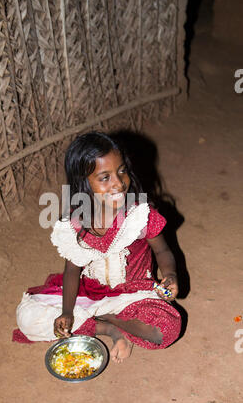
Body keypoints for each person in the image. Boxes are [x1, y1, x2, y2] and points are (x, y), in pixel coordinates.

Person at [16, 131, 181, 363]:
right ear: (84, 183)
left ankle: (106, 317)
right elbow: (72, 271)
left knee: (166, 327)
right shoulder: (76, 224)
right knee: (27, 318)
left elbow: (162, 250)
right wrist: (67, 311)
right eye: (105, 177)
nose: (119, 183)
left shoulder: (138, 215)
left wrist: (170, 275)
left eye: (122, 171)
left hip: (132, 294)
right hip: (90, 294)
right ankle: (111, 330)